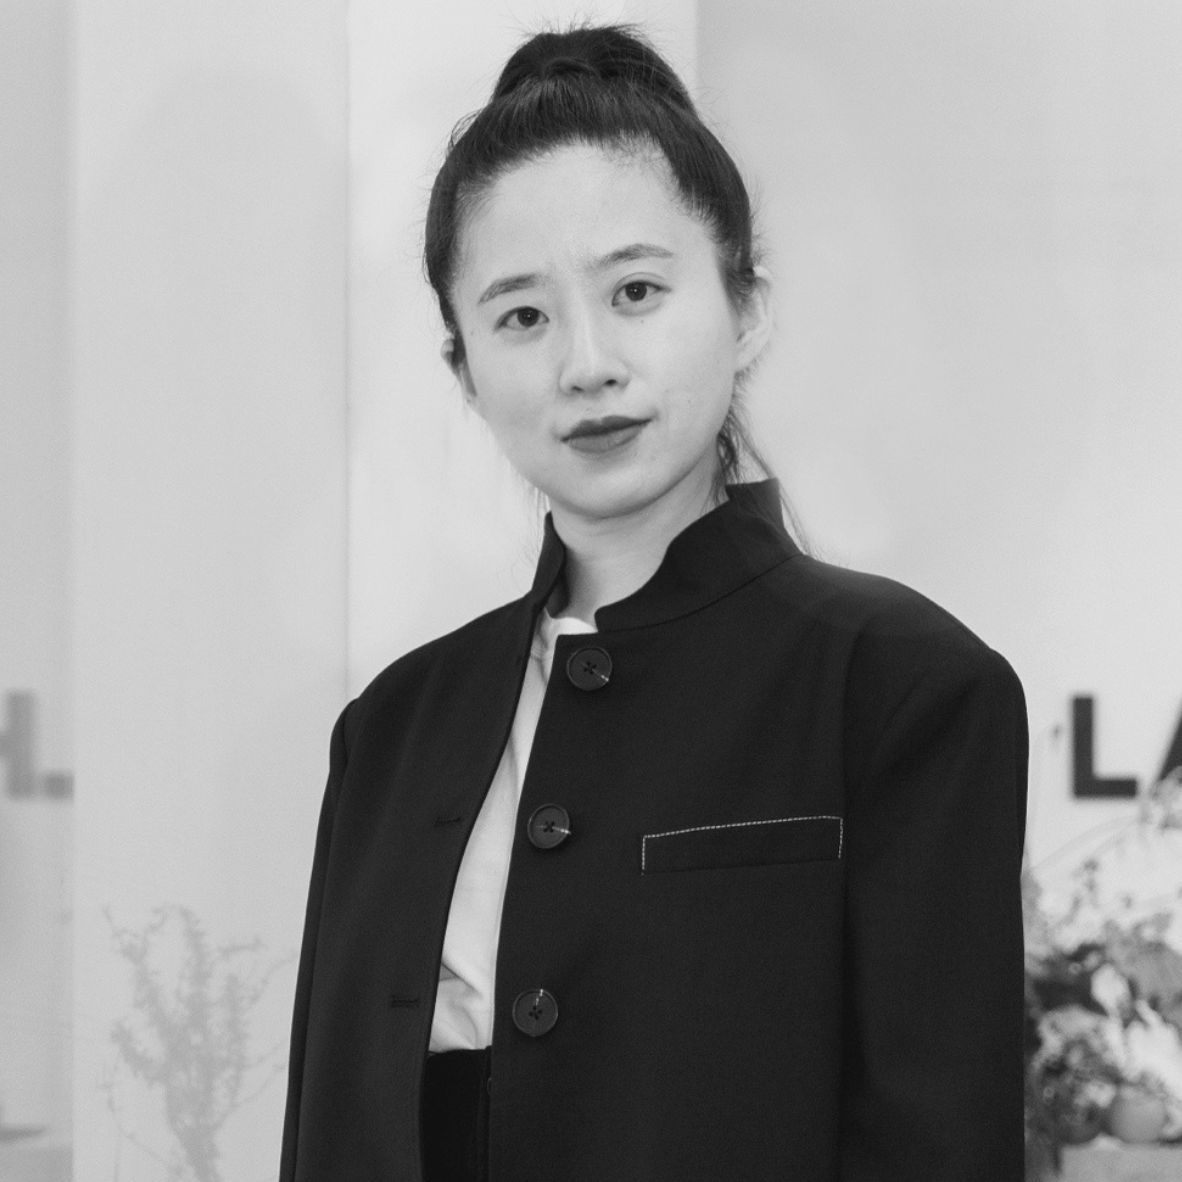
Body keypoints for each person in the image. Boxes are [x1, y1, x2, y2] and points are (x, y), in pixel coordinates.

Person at [279, 23, 1028, 1182]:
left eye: (635, 290)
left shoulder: (903, 686)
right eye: (521, 316)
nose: (587, 363)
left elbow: (939, 1145)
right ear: (464, 371)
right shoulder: (389, 730)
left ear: (747, 308)